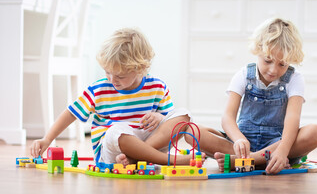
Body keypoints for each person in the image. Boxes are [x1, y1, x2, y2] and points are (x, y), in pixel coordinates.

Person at [30, 28, 197, 166]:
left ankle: (137, 158)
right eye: (107, 72)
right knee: (115, 131)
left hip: (149, 143)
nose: (112, 79)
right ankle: (169, 161)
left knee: (183, 114)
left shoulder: (157, 87)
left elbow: (168, 121)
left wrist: (158, 116)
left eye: (120, 76)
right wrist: (47, 139)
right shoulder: (98, 89)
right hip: (115, 150)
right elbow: (71, 113)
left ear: (141, 68)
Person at [185, 18, 317, 174]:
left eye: (282, 64)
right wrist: (238, 139)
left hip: (277, 145)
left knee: (315, 132)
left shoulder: (295, 79)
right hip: (242, 143)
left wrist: (283, 150)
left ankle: (250, 161)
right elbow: (227, 118)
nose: (273, 70)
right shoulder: (244, 74)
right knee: (191, 131)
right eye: (267, 60)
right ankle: (258, 159)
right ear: (258, 51)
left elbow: (292, 119)